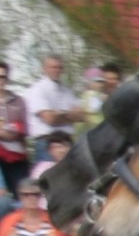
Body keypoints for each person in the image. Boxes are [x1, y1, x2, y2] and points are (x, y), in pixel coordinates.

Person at [22, 55, 81, 140]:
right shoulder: (37, 89)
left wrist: (59, 114)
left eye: (60, 67)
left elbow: (81, 116)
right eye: (53, 67)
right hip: (46, 139)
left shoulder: (67, 91)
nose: (57, 70)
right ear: (44, 69)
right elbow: (50, 119)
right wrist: (70, 115)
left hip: (66, 140)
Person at [0, 61, 27, 193]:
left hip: (16, 156)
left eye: (3, 77)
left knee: (21, 193)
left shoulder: (18, 101)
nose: (1, 80)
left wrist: (12, 131)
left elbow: (25, 127)